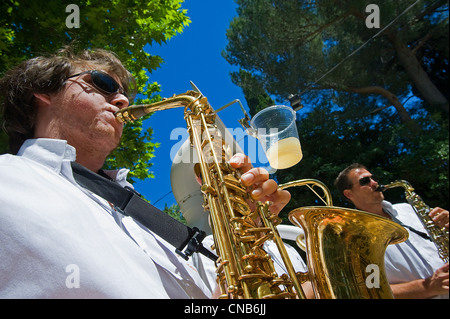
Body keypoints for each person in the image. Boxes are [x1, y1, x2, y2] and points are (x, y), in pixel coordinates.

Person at [0, 47, 292, 298]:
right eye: (102, 83)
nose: (122, 100)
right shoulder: (9, 181)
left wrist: (253, 230)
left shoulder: (140, 214)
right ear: (42, 92)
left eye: (123, 93)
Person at [335, 163, 449, 299]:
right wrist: (428, 287)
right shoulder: (355, 241)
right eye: (365, 181)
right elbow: (372, 291)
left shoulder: (407, 209)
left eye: (373, 178)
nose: (374, 183)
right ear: (349, 193)